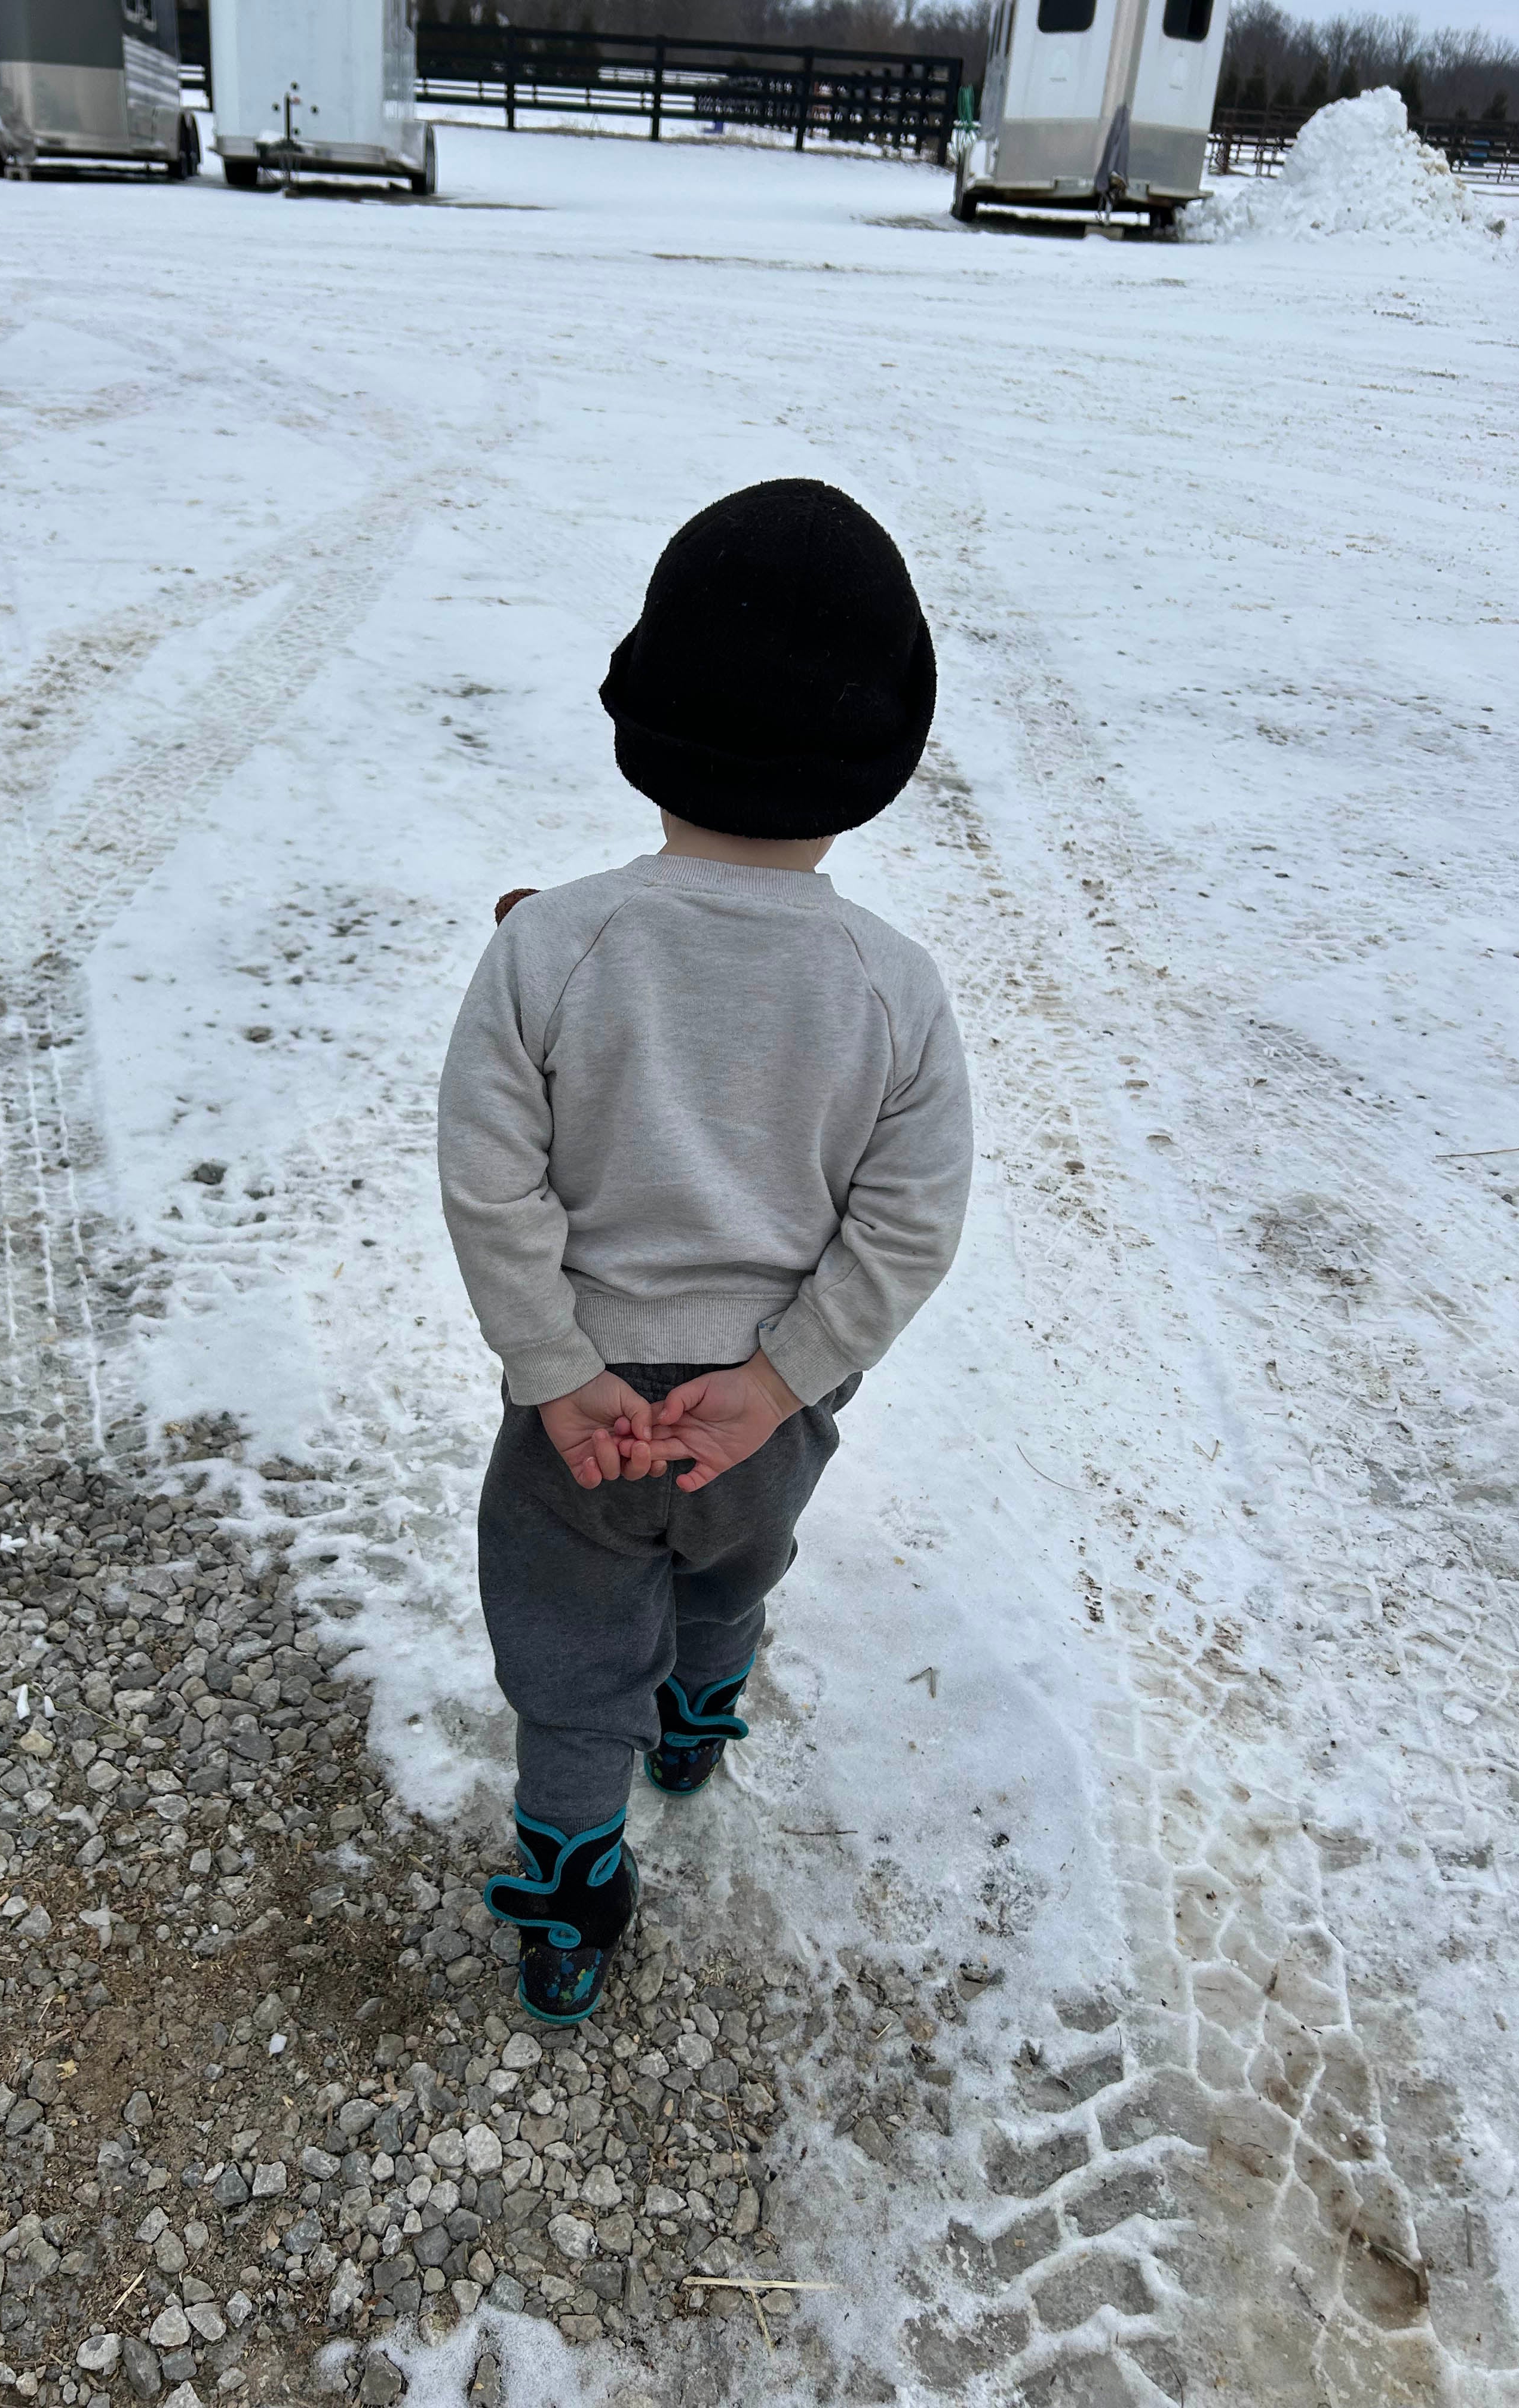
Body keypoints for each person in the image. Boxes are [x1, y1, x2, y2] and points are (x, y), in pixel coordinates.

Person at [437, 478, 974, 2024]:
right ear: (886, 754)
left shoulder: (551, 945)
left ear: (641, 710)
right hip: (764, 1413)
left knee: (568, 1640)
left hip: (586, 1414)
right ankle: (699, 1712)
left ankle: (571, 1897)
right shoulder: (894, 988)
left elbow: (490, 1180)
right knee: (735, 1565)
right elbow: (910, 1216)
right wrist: (783, 1377)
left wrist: (557, 1367)